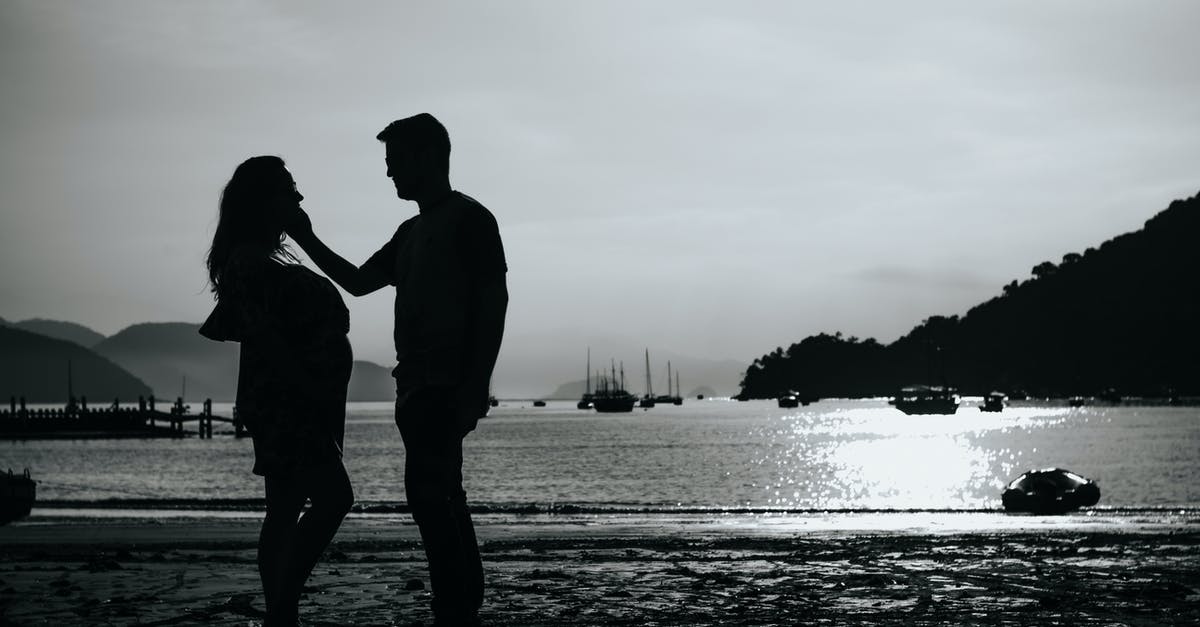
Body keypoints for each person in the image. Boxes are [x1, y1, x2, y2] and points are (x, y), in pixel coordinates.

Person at [285, 113, 507, 625]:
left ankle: (455, 605)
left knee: (432, 496)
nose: (389, 174)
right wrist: (306, 238)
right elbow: (360, 282)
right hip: (414, 388)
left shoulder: (471, 219)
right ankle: (462, 602)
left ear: (427, 156)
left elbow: (494, 302)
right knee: (441, 495)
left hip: (445, 386)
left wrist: (476, 384)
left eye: (395, 162)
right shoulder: (409, 231)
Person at [200, 156, 355, 626]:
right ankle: (284, 601)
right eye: (290, 190)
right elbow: (266, 339)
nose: (300, 198)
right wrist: (309, 388)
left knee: (285, 508)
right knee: (333, 499)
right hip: (290, 402)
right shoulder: (247, 263)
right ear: (266, 200)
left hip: (294, 400)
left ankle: (281, 610)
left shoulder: (256, 260)